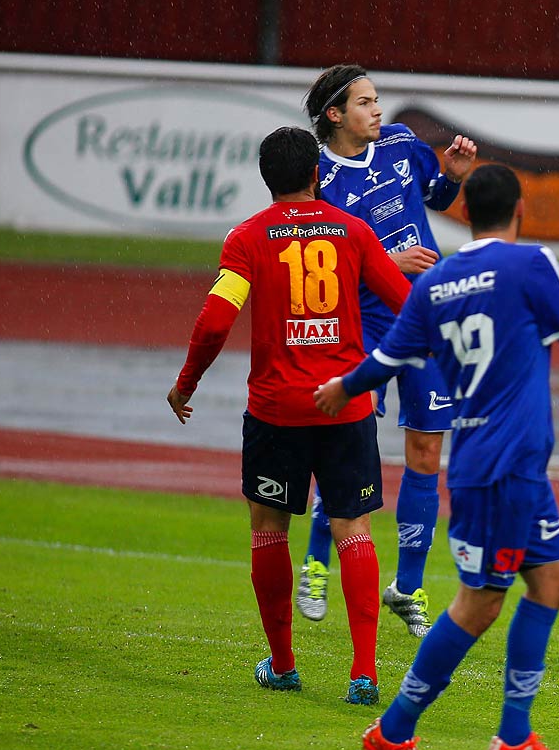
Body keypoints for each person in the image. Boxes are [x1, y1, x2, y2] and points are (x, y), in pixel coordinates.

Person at [315, 163, 559, 750]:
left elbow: (386, 358)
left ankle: (514, 737)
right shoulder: (531, 261)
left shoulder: (436, 281)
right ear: (518, 211)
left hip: (503, 463)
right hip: (501, 469)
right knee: (480, 602)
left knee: (552, 583)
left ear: (465, 213)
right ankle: (393, 729)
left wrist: (341, 387)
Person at [168, 126, 411, 704]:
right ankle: (364, 673)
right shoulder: (353, 231)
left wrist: (186, 384)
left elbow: (216, 321)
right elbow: (406, 302)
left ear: (266, 178)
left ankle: (282, 665)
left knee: (269, 528)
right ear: (316, 175)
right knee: (353, 528)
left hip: (277, 411)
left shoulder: (247, 237)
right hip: (346, 405)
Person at [295, 64, 478, 640]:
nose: (378, 111)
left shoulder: (400, 145)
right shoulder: (316, 178)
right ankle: (318, 564)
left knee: (426, 452)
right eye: (366, 103)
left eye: (377, 101)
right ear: (335, 115)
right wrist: (381, 265)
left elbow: (437, 196)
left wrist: (452, 175)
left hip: (423, 323)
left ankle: (409, 585)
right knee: (349, 449)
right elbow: (312, 263)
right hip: (360, 326)